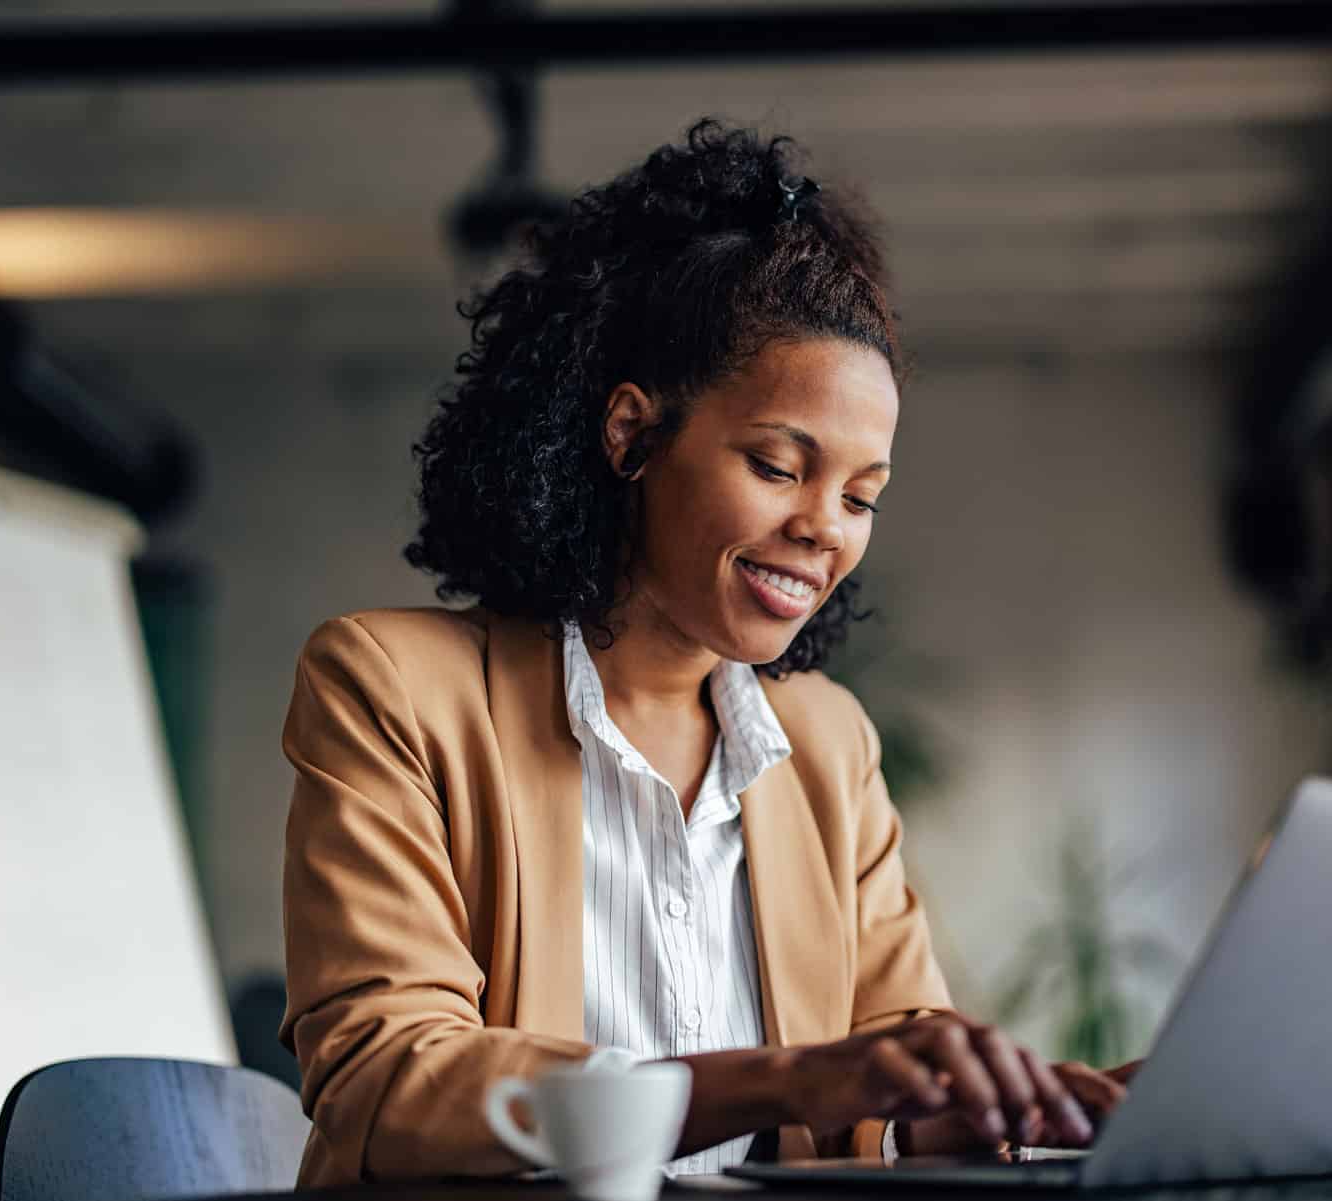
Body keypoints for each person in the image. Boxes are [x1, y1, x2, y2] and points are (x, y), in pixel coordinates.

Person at [278, 117, 1134, 1189]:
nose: (827, 527)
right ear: (631, 435)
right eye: (781, 467)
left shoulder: (826, 745)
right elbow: (391, 1084)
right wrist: (778, 1078)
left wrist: (1021, 1107)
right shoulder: (392, 687)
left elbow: (882, 1100)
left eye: (862, 495)